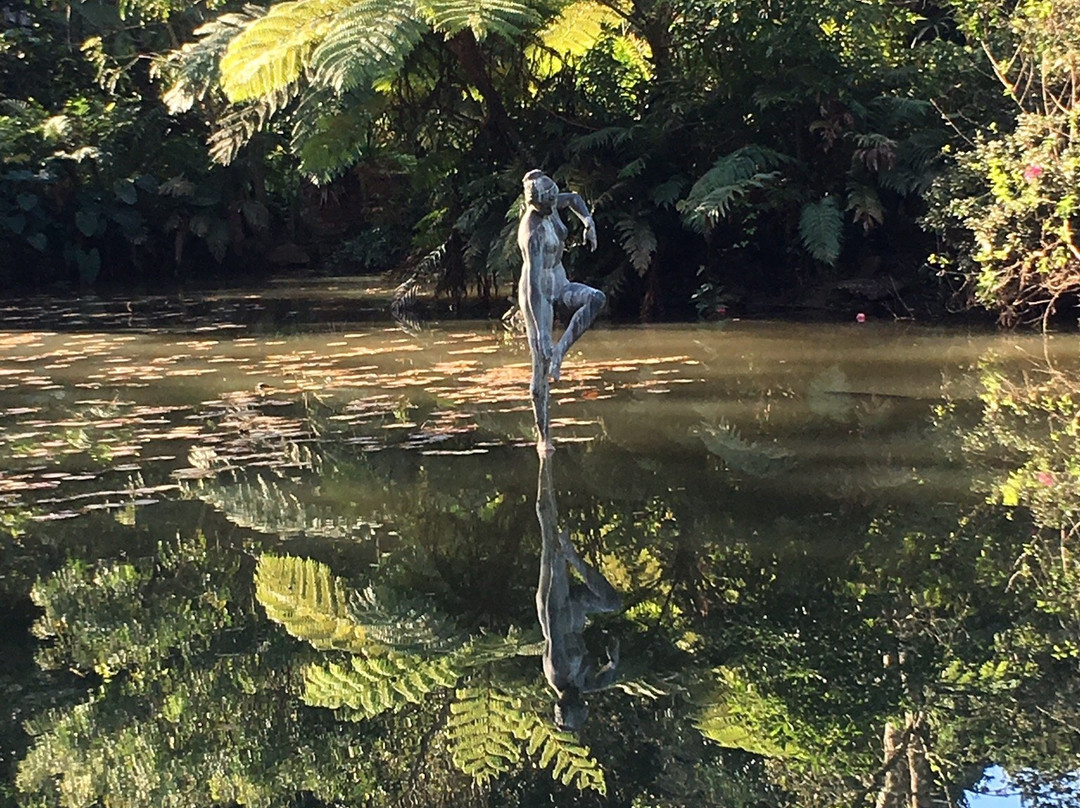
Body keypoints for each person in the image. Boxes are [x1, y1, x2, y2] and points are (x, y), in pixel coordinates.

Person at [517, 170, 605, 451]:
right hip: (537, 295)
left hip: (560, 282)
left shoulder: (552, 201)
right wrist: (543, 332)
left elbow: (575, 199)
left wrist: (588, 221)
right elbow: (532, 282)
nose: (553, 204)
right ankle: (544, 437)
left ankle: (560, 354)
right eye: (548, 203)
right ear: (536, 204)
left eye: (555, 198)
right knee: (539, 366)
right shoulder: (531, 231)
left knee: (596, 299)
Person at [535, 453, 621, 730]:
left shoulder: (558, 671)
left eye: (580, 704)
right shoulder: (581, 684)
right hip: (578, 608)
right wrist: (613, 662)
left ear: (566, 702)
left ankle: (544, 460)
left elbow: (550, 621)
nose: (584, 699)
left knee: (548, 531)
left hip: (556, 604)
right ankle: (574, 557)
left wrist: (556, 573)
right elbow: (604, 680)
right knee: (611, 602)